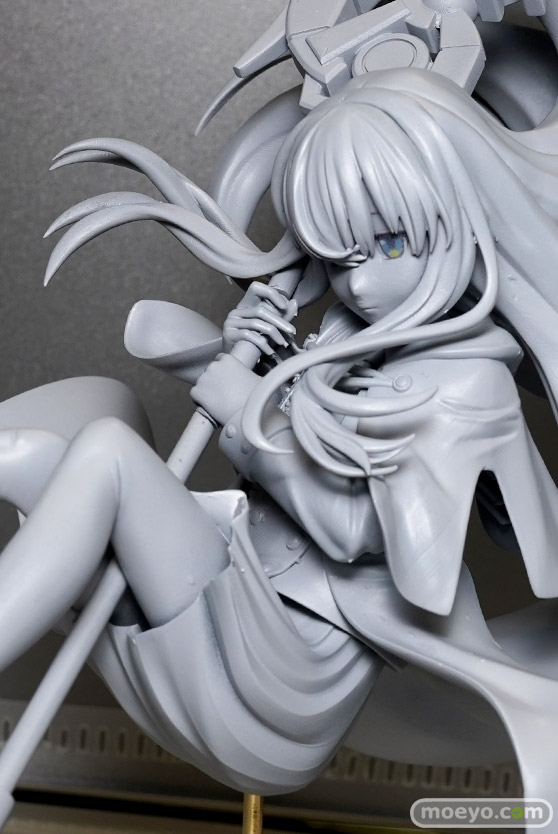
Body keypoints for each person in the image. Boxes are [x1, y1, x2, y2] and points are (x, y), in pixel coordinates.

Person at [2, 68, 558, 800]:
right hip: (228, 594)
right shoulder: (349, 337)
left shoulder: (468, 384)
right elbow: (279, 412)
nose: (360, 285)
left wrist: (250, 412)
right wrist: (250, 355)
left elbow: (357, 533)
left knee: (108, 452)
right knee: (38, 450)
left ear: (457, 224)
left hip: (287, 670)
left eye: (389, 245)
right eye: (340, 259)